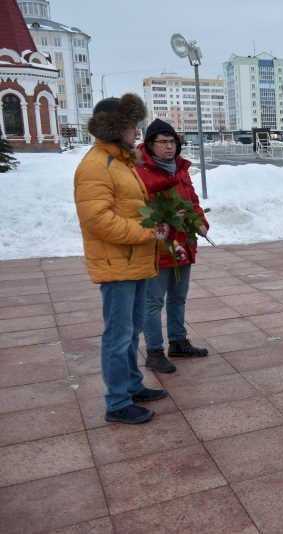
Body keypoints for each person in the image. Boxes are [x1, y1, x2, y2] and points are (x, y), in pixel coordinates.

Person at [74, 94, 170, 425]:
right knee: (118, 335)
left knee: (131, 332)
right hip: (117, 265)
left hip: (133, 261)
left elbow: (128, 207)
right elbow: (98, 220)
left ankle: (131, 385)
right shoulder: (96, 166)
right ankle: (117, 402)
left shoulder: (120, 162)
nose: (136, 132)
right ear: (116, 128)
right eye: (132, 126)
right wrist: (146, 232)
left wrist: (154, 220)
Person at [136, 119, 210, 374]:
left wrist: (199, 222)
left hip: (182, 243)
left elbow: (192, 201)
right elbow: (137, 210)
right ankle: (154, 352)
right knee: (153, 301)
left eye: (173, 142)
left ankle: (178, 342)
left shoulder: (180, 168)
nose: (170, 147)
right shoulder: (140, 170)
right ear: (150, 144)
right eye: (163, 142)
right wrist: (165, 218)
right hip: (156, 246)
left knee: (178, 297)